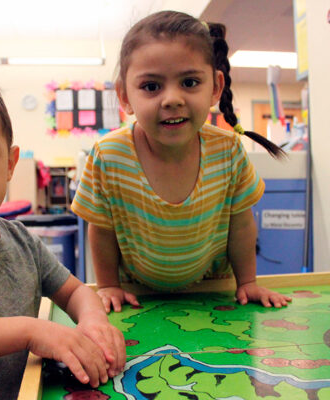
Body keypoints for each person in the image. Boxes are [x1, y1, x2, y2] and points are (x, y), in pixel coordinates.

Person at [71, 11, 292, 313]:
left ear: (215, 87)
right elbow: (101, 229)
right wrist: (108, 285)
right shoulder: (108, 156)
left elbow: (240, 223)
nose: (172, 99)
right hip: (137, 297)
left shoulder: (227, 151)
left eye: (189, 82)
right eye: (151, 86)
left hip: (213, 293)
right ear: (124, 95)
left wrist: (247, 282)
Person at [0, 66, 126, 400]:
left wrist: (93, 321)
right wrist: (30, 331)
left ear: (10, 163)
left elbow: (76, 291)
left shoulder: (21, 241)